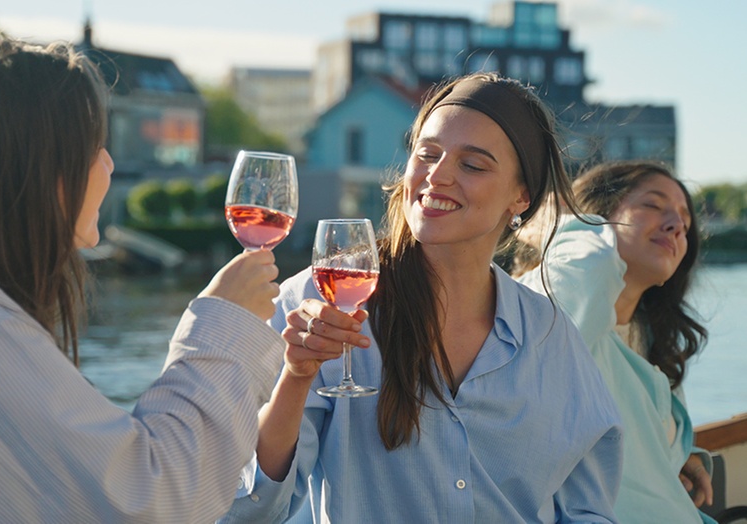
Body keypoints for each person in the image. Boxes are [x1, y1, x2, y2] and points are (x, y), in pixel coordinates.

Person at [0, 35, 286, 523]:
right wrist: (225, 323)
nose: (109, 164)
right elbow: (147, 500)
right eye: (93, 147)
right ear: (39, 169)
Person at [218, 73, 623, 523]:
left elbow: (588, 508)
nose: (438, 175)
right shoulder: (318, 304)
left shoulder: (549, 335)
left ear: (520, 196)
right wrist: (296, 377)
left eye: (473, 165)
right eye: (427, 154)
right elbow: (249, 510)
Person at [515, 161, 716, 523]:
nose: (675, 226)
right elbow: (592, 265)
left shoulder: (654, 343)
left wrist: (676, 450)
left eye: (684, 222)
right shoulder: (553, 313)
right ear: (595, 217)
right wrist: (550, 222)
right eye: (653, 205)